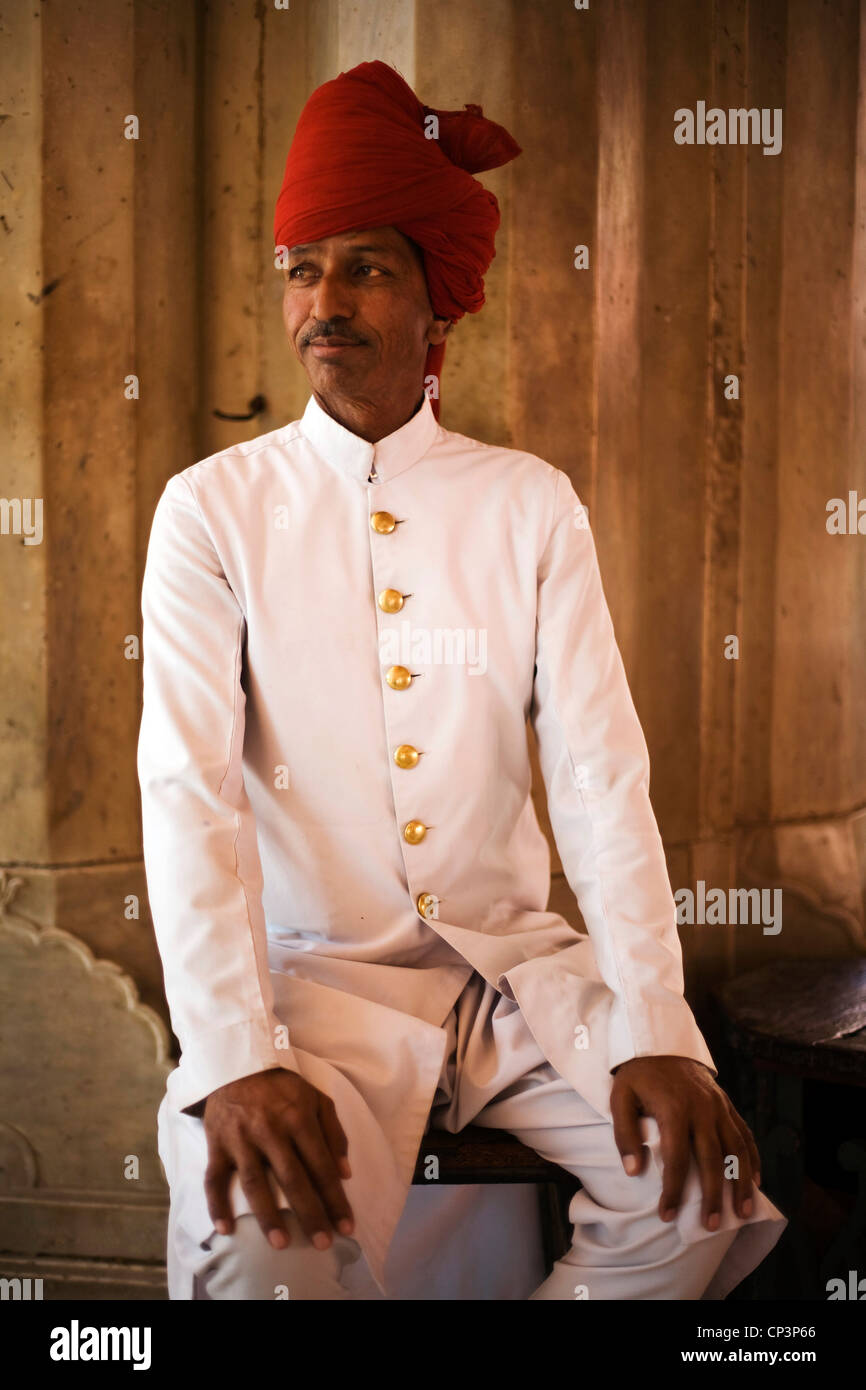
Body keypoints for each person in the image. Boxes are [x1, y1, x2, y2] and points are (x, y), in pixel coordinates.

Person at [137, 60, 786, 1300]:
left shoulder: (527, 505)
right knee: (254, 1249)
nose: (323, 300)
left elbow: (601, 774)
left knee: (696, 1197)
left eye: (365, 266)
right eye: (301, 267)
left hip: (509, 986)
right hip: (306, 993)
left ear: (438, 303)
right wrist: (231, 1053)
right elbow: (186, 788)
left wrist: (654, 1026)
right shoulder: (211, 512)